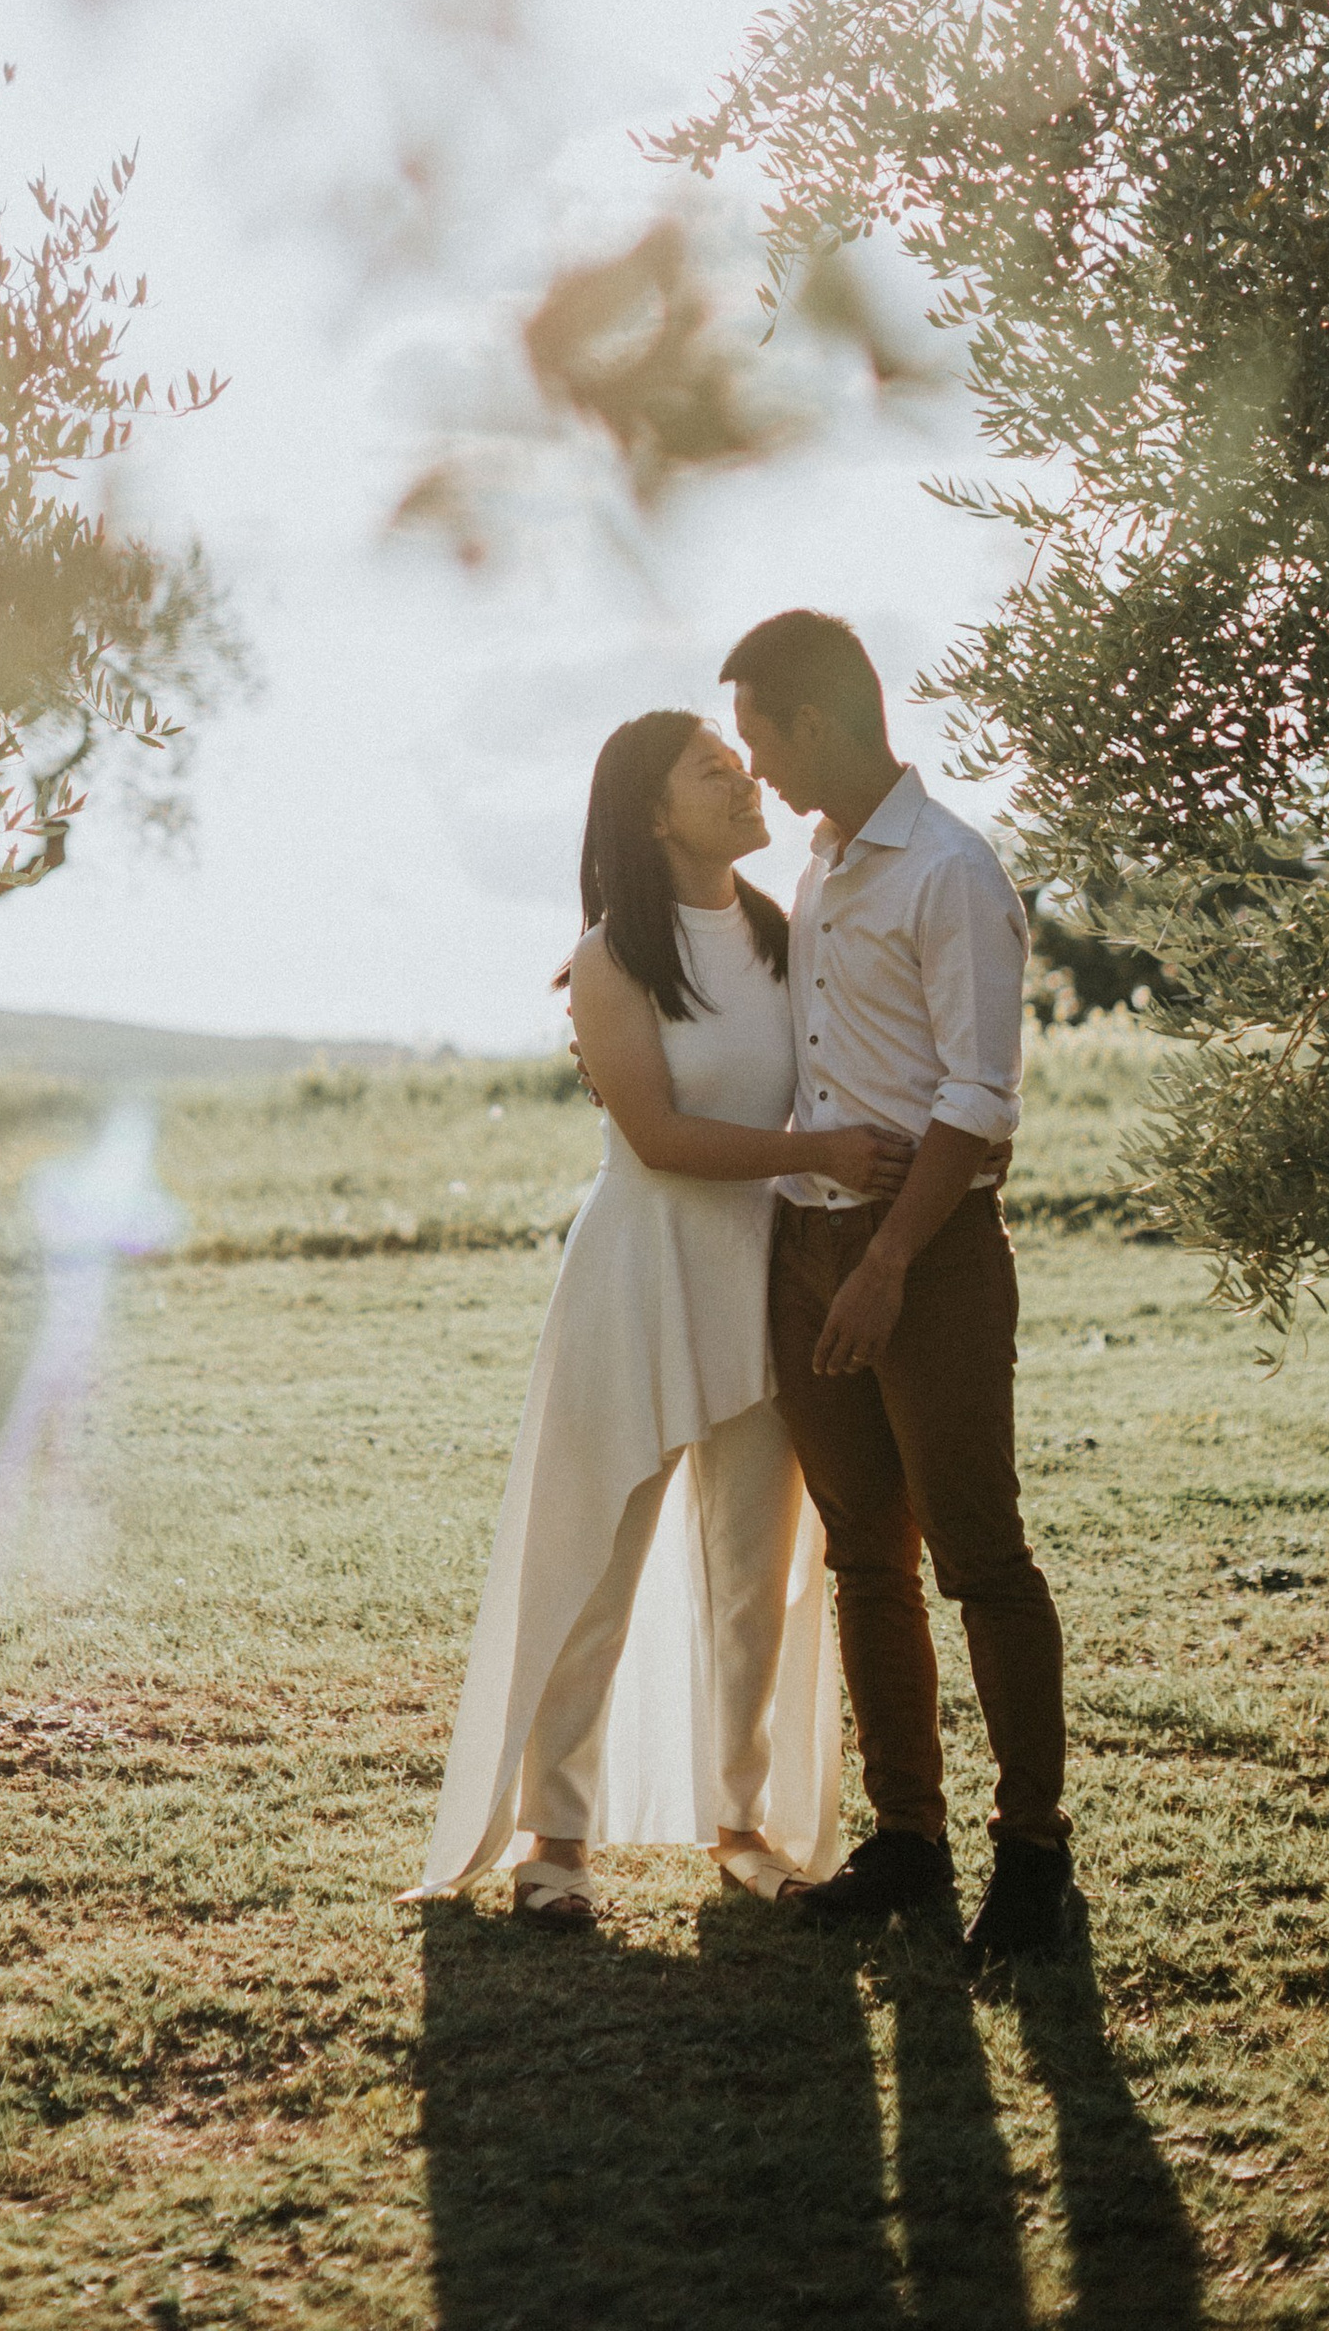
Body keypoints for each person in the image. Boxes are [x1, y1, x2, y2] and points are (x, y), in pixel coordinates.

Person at [408, 708, 914, 1925]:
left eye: (746, 769)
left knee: (759, 1572)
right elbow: (657, 1135)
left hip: (767, 1279)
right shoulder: (613, 956)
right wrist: (821, 1147)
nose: (747, 786)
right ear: (652, 811)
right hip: (635, 1278)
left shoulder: (792, 939)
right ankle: (555, 1840)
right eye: (714, 771)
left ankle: (741, 1821)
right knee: (595, 1558)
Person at [720, 607, 1077, 1972]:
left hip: (922, 1259)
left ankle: (1034, 1858)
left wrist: (883, 1261)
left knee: (981, 1555)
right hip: (806, 1247)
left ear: (818, 723)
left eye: (759, 739)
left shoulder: (950, 873)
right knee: (866, 1554)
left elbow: (979, 1103)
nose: (754, 769)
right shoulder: (818, 864)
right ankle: (909, 1845)